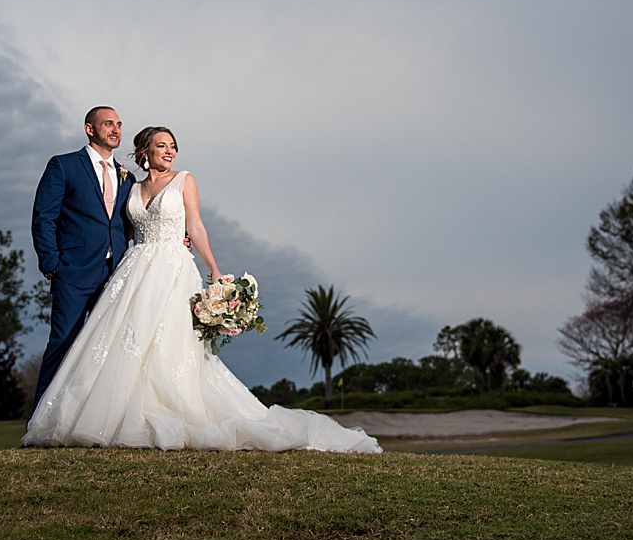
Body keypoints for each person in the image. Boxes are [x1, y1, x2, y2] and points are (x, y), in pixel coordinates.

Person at [23, 125, 381, 453]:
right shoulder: (130, 185)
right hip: (134, 269)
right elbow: (124, 229)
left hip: (173, 268)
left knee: (169, 342)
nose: (169, 152)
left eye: (173, 147)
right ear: (144, 151)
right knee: (121, 340)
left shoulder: (184, 180)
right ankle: (106, 415)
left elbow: (194, 224)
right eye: (161, 146)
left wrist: (214, 269)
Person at [30, 106, 135, 410]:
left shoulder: (126, 176)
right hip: (72, 272)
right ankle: (40, 422)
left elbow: (136, 217)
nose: (115, 130)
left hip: (114, 273)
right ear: (90, 129)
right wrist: (51, 264)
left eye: (118, 125)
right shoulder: (63, 166)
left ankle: (92, 417)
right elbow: (43, 217)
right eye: (107, 124)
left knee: (107, 348)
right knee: (63, 344)